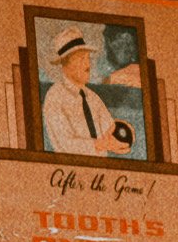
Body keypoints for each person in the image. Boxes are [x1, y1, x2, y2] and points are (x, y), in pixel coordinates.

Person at [42, 28, 131, 157]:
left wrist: (124, 134)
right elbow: (66, 144)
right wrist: (101, 144)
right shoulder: (55, 97)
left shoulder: (93, 98)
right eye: (80, 58)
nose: (87, 63)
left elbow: (109, 129)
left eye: (88, 57)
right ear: (65, 63)